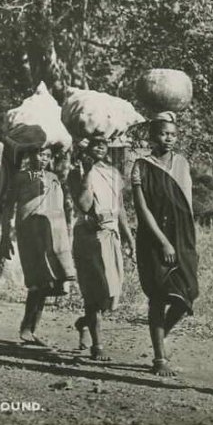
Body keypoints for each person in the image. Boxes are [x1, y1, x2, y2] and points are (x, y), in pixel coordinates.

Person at [131, 111, 199, 377]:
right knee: (159, 296)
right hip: (153, 237)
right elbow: (142, 209)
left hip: (183, 236)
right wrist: (163, 242)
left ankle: (159, 335)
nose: (168, 139)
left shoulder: (182, 163)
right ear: (151, 136)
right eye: (162, 133)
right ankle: (160, 357)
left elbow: (188, 204)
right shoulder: (140, 165)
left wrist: (187, 241)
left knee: (187, 294)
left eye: (172, 134)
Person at [0, 145, 77, 346]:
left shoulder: (53, 177)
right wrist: (5, 237)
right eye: (40, 154)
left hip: (52, 232)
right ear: (31, 154)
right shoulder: (21, 177)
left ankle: (30, 328)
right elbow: (8, 206)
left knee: (51, 281)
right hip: (29, 231)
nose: (43, 158)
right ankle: (27, 328)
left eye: (48, 155)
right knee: (37, 280)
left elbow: (59, 207)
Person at [69, 137, 135, 361]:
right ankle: (97, 345)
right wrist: (87, 174)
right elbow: (85, 205)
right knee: (94, 291)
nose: (99, 146)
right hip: (88, 236)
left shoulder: (113, 173)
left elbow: (121, 208)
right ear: (85, 145)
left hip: (111, 233)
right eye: (94, 142)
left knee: (111, 293)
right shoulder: (75, 171)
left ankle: (84, 323)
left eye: (103, 143)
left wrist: (129, 239)